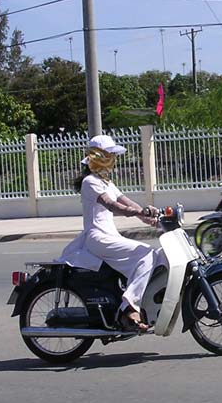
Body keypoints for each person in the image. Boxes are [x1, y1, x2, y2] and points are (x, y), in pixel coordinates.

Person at [56, 134, 163, 332]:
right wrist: (139, 212)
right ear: (99, 157)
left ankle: (136, 303)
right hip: (98, 238)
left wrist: (150, 217)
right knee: (146, 254)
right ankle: (129, 308)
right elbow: (112, 205)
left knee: (156, 256)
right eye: (110, 155)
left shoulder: (106, 181)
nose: (114, 159)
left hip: (109, 235)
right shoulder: (90, 181)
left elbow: (126, 201)